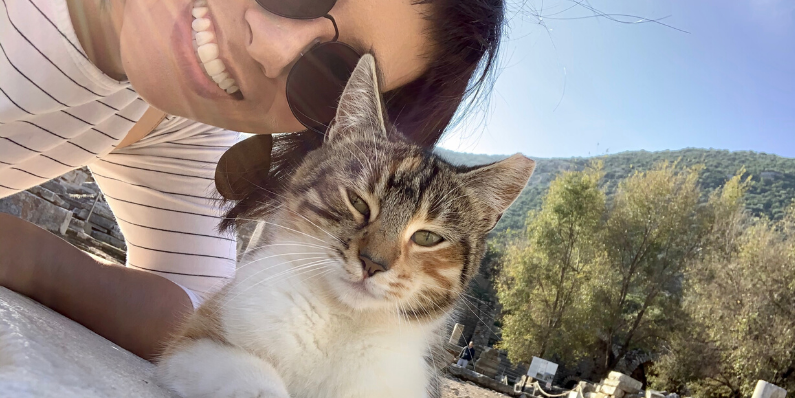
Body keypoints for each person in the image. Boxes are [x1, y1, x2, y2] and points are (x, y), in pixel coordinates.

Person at [0, 0, 506, 360]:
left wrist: (39, 262)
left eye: (331, 75)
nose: (274, 48)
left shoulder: (178, 125)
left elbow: (193, 308)